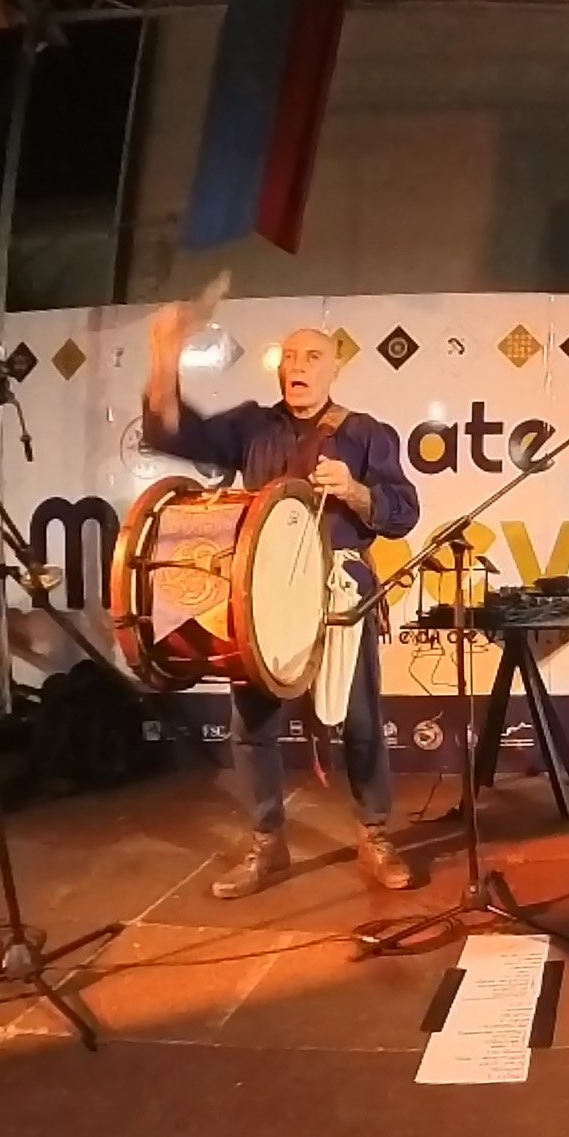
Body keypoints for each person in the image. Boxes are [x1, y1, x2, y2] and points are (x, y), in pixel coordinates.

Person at [142, 300, 421, 899]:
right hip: (261, 599)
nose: (298, 366)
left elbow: (403, 513)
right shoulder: (252, 426)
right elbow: (171, 430)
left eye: (312, 357)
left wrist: (355, 491)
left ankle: (375, 836)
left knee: (360, 721)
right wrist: (164, 351)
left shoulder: (365, 433)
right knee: (252, 727)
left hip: (340, 594)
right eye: (290, 357)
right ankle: (267, 843)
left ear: (335, 367)